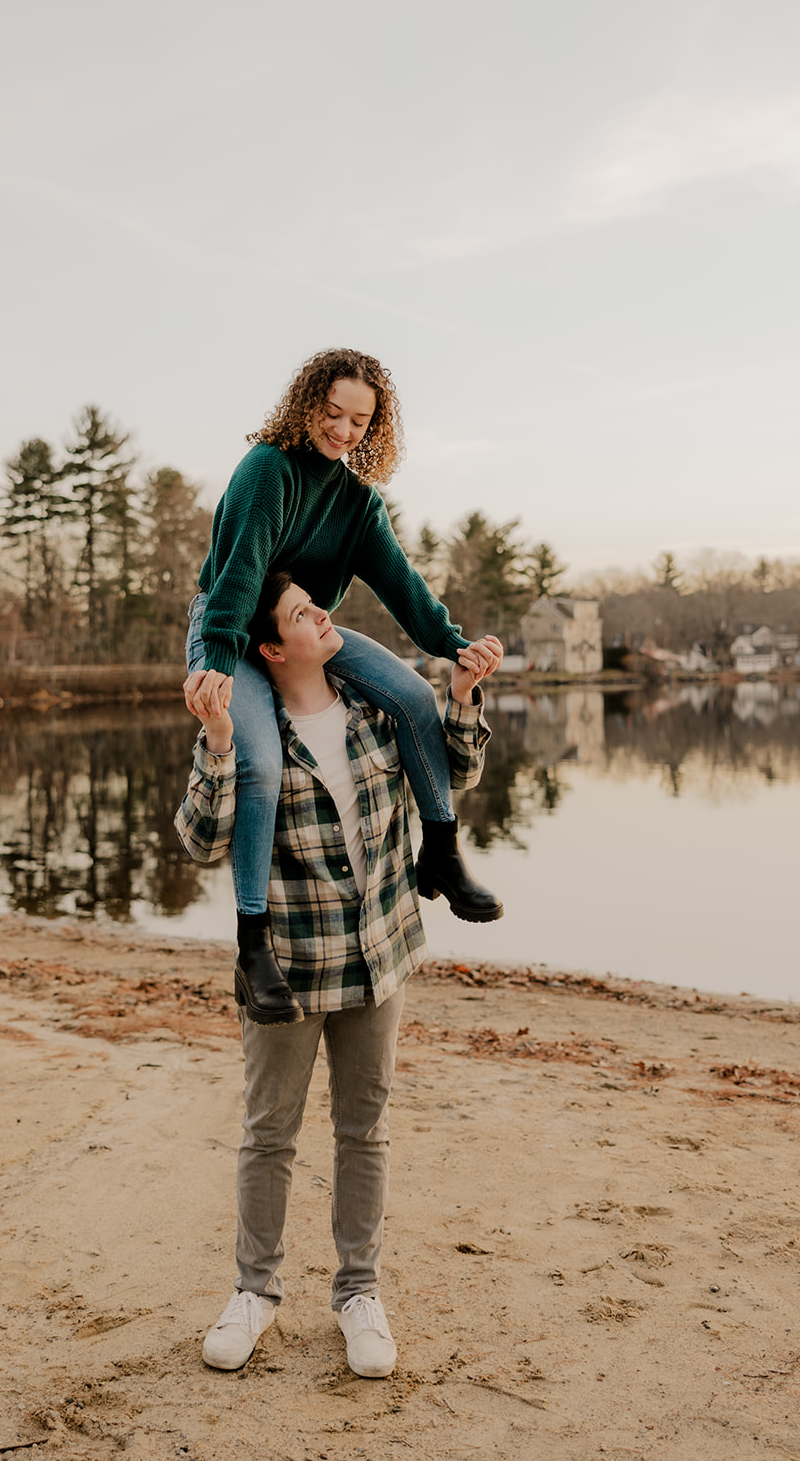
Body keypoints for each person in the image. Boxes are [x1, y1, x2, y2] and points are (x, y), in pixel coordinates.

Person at [175, 570, 491, 1378]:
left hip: (379, 954)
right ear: (272, 647)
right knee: (269, 1134)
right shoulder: (247, 730)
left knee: (364, 1132)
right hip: (288, 967)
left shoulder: (379, 709)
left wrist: (460, 692)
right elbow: (201, 842)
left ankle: (358, 1294)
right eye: (300, 612)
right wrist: (214, 743)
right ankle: (255, 1293)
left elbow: (450, 775)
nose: (324, 613)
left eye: (318, 603)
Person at [184, 347, 504, 1026]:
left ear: (374, 427)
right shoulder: (266, 470)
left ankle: (441, 855)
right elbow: (240, 572)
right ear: (307, 406)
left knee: (416, 697)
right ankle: (252, 945)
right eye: (333, 414)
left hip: (309, 627)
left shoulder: (359, 503)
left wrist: (454, 647)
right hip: (231, 625)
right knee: (262, 765)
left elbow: (402, 588)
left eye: (359, 421)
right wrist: (215, 657)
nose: (343, 431)